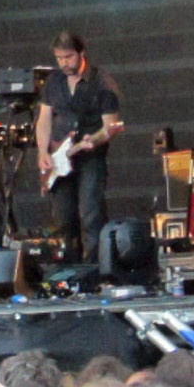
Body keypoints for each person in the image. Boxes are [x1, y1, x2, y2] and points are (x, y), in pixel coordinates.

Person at [36, 32, 122, 264]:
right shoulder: (54, 82)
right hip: (58, 158)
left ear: (81, 53)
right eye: (59, 58)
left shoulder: (102, 83)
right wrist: (42, 151)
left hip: (89, 158)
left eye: (69, 57)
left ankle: (96, 268)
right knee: (65, 219)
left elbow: (110, 127)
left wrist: (93, 140)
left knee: (91, 214)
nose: (64, 63)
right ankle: (70, 268)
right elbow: (44, 119)